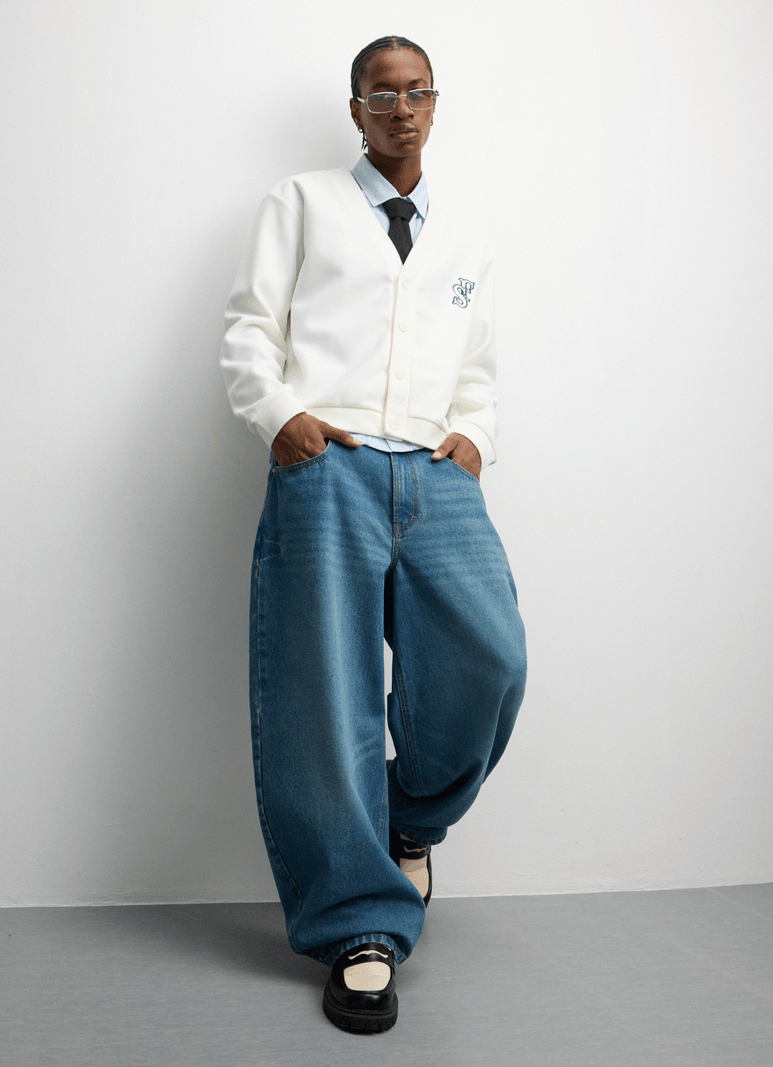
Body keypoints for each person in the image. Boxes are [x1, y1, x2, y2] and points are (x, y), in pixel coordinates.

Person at [220, 36, 527, 1034]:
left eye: (416, 90)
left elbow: (477, 369)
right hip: (329, 463)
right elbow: (250, 326)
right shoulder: (301, 204)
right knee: (326, 694)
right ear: (355, 109)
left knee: (490, 658)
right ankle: (360, 926)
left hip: (434, 471)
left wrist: (473, 439)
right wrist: (282, 420)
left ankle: (409, 818)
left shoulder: (466, 238)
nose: (401, 106)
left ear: (435, 105)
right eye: (380, 92)